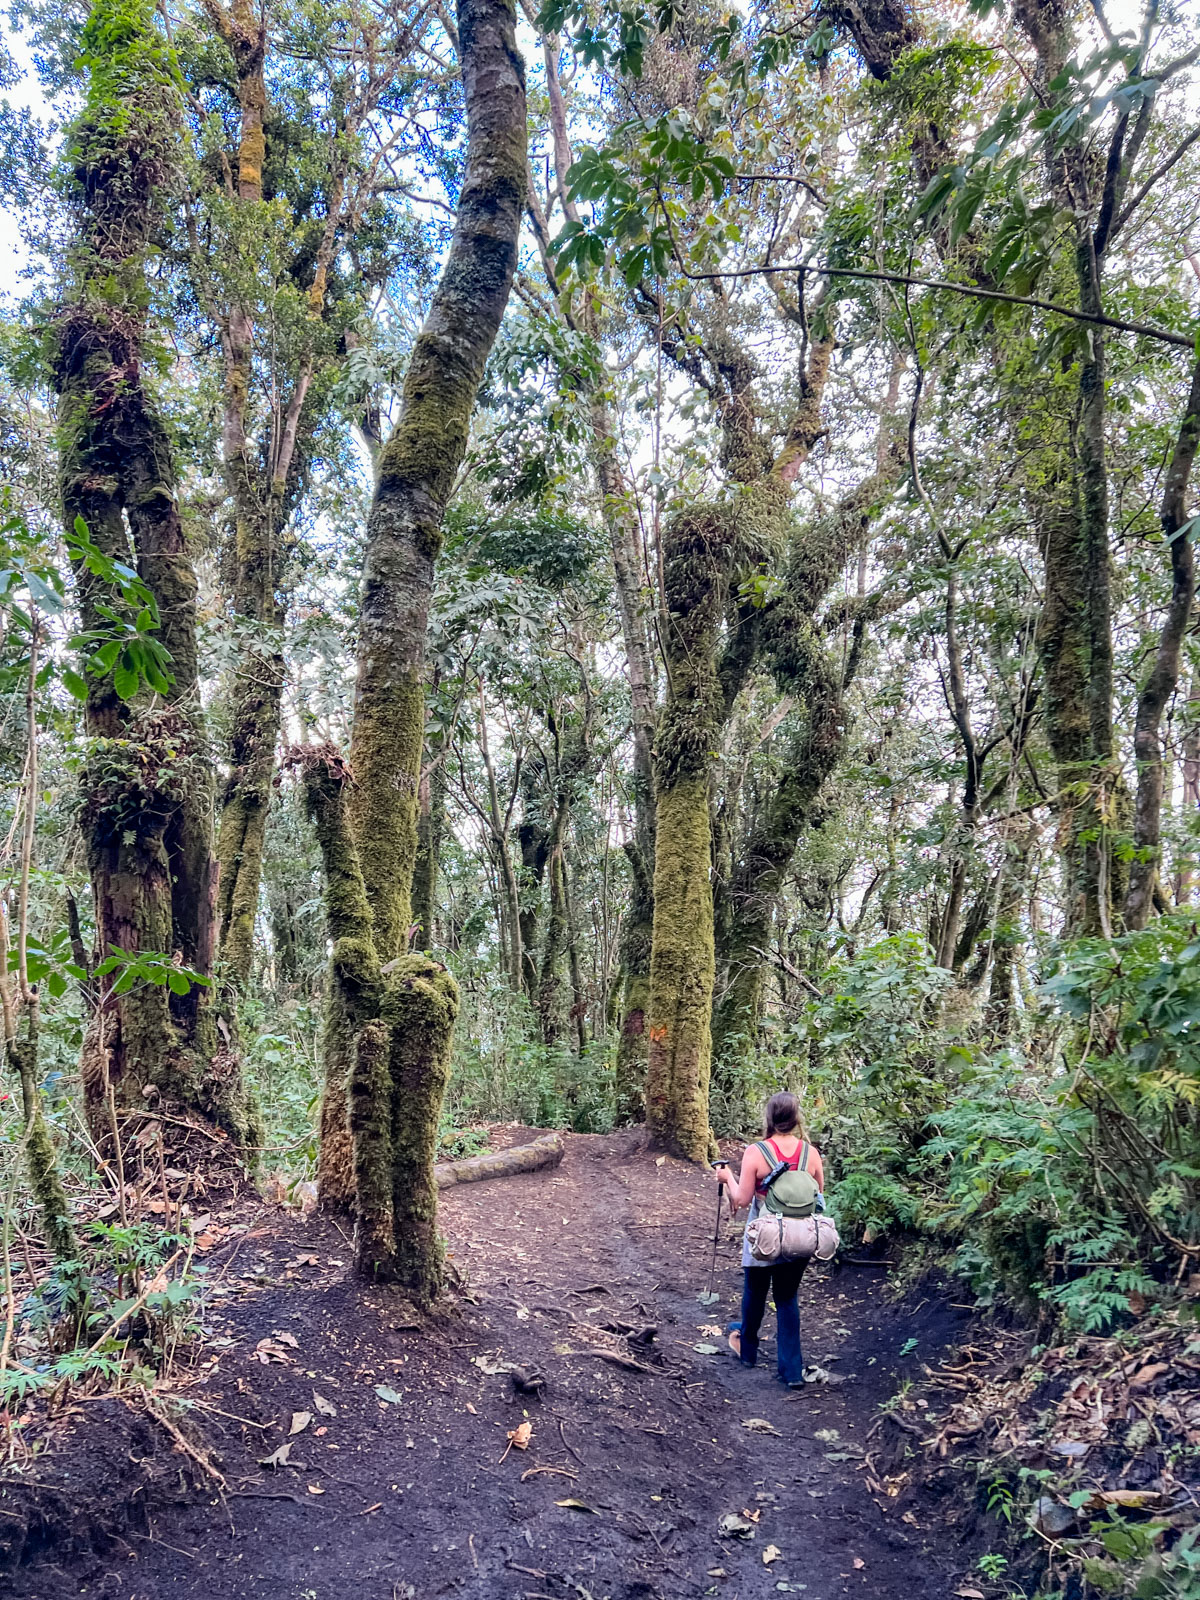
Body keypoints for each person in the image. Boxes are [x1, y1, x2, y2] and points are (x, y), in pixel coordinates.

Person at [713, 1091, 826, 1387]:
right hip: (800, 1237)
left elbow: (741, 1198)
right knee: (787, 1298)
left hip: (763, 1235)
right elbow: (819, 1196)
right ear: (796, 1118)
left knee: (755, 1292)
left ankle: (747, 1350)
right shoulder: (810, 1154)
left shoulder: (756, 1152)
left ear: (770, 1118)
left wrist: (728, 1179)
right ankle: (791, 1371)